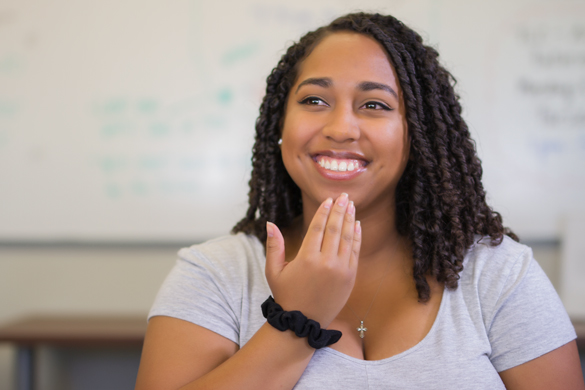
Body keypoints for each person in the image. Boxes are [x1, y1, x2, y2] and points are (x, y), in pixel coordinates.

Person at [135, 13, 584, 390]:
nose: (341, 128)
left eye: (374, 105)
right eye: (314, 100)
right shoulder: (215, 273)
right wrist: (298, 320)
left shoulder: (498, 272)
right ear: (281, 122)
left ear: (417, 136)